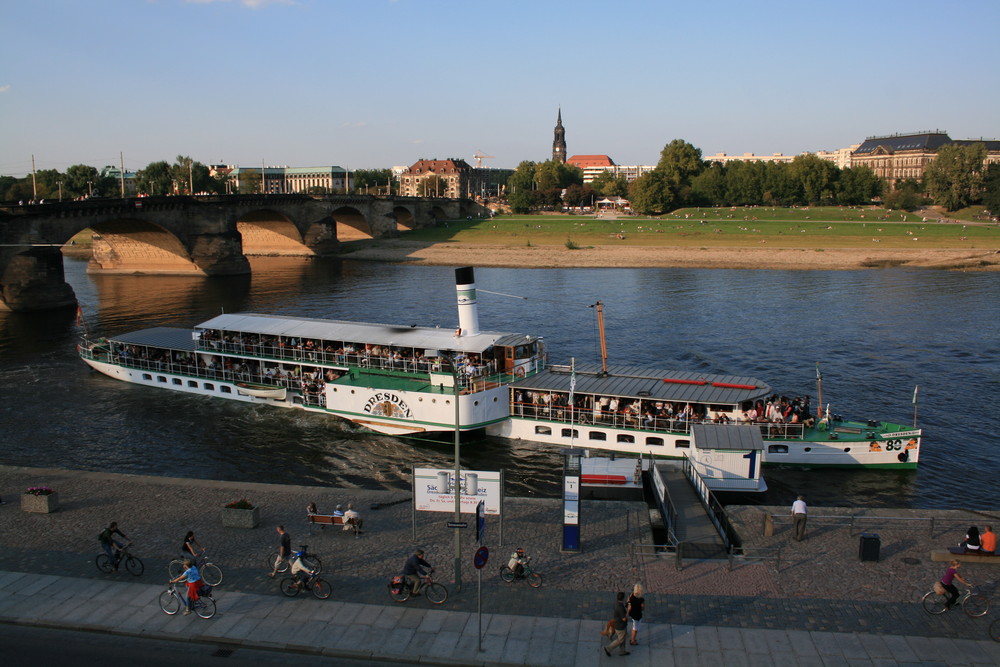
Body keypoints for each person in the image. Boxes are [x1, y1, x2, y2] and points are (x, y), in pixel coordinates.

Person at [602, 591, 630, 657]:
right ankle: (608, 648)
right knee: (620, 639)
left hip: (618, 624)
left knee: (623, 638)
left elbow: (623, 606)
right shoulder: (620, 607)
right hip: (621, 626)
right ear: (623, 598)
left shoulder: (617, 603)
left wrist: (627, 602)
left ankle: (622, 651)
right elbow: (624, 618)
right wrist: (628, 610)